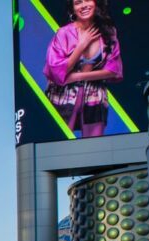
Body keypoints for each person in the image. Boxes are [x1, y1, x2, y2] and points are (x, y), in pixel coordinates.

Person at [43, 0, 123, 138]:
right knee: (59, 145)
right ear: (73, 9)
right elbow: (56, 71)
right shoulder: (63, 33)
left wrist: (77, 76)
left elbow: (114, 70)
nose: (84, 5)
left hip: (95, 97)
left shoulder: (108, 32)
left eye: (87, 0)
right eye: (78, 3)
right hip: (62, 98)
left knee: (93, 149)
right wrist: (81, 45)